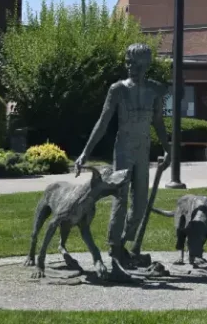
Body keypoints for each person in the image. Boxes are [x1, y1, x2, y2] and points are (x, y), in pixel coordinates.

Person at [75, 43, 171, 267]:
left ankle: (124, 243)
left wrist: (168, 149)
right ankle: (114, 248)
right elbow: (103, 122)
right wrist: (85, 153)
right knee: (121, 199)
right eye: (128, 61)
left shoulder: (155, 90)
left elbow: (158, 122)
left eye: (135, 63)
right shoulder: (117, 89)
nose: (130, 66)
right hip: (124, 149)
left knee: (140, 205)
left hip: (143, 149)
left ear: (145, 64)